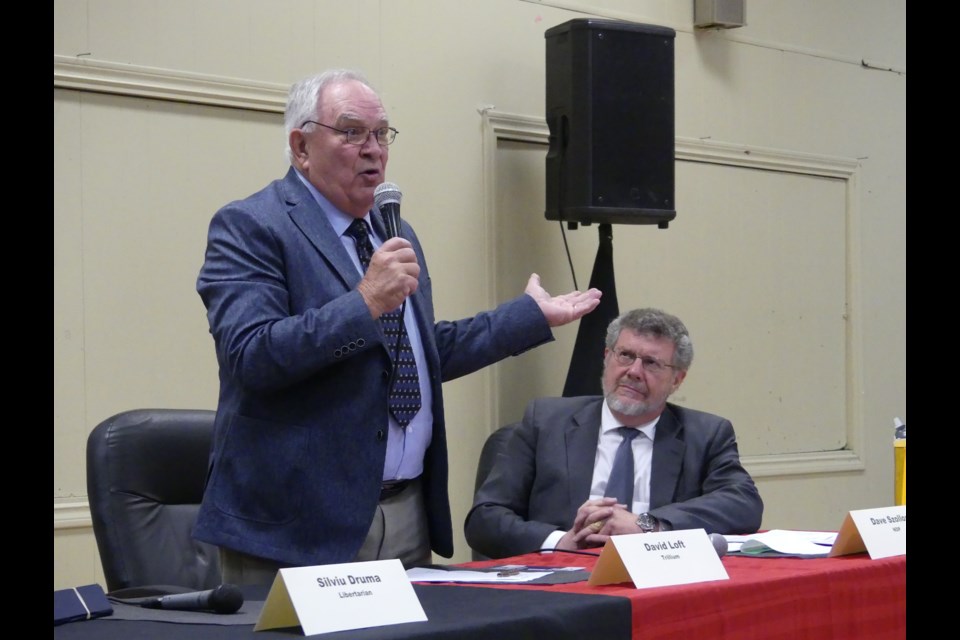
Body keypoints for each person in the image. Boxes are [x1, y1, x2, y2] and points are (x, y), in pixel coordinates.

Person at [192, 68, 601, 584]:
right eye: (352, 132)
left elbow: (415, 353)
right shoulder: (251, 225)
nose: (374, 149)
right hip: (297, 528)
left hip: (407, 514)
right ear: (301, 146)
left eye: (381, 133)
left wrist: (525, 318)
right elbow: (252, 356)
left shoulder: (393, 229)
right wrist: (364, 301)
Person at [464, 308, 762, 559]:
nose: (634, 371)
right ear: (607, 357)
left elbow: (743, 504)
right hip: (562, 583)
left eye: (651, 363)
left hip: (658, 579)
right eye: (625, 355)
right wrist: (561, 542)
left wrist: (648, 525)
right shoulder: (545, 422)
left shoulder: (706, 434)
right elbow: (485, 519)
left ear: (677, 379)